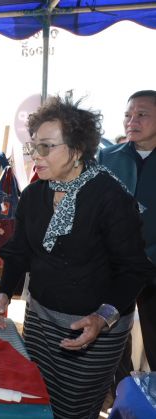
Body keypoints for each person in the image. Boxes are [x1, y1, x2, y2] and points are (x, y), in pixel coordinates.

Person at [0, 96, 156, 419]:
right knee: (36, 401)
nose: (36, 155)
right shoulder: (34, 194)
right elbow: (19, 250)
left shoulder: (110, 197)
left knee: (72, 411)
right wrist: (4, 292)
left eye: (46, 147)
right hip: (40, 323)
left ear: (77, 149)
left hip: (92, 331)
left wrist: (102, 318)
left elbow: (132, 269)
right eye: (33, 146)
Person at [99, 90, 156, 382]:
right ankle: (120, 397)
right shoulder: (106, 157)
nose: (132, 121)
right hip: (113, 268)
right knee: (112, 343)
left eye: (142, 114)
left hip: (153, 268)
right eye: (128, 114)